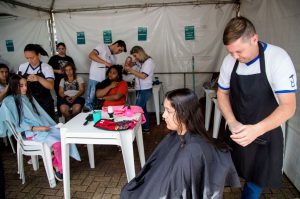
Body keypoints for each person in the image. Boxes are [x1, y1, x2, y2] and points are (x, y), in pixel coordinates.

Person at [217, 16, 297, 199]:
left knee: (255, 184)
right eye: (230, 52)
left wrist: (256, 130)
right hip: (236, 131)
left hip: (265, 134)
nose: (234, 57)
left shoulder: (277, 58)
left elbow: (289, 107)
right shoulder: (230, 61)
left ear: (254, 39)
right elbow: (222, 94)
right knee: (225, 171)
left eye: (238, 51)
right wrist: (232, 121)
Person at [120, 88, 240, 198]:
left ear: (184, 113)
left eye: (168, 111)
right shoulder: (176, 136)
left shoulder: (192, 150)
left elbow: (178, 191)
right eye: (164, 109)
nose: (163, 115)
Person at [0, 74, 80, 181]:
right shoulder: (9, 101)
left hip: (40, 128)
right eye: (21, 85)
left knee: (64, 135)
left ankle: (55, 162)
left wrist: (47, 126)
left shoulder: (26, 97)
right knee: (58, 144)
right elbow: (17, 124)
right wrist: (37, 129)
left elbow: (39, 114)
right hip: (29, 133)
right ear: (14, 86)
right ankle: (59, 168)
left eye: (26, 85)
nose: (25, 88)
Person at [84, 40, 127, 111]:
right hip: (95, 79)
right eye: (119, 50)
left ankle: (98, 119)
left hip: (105, 82)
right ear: (116, 44)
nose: (118, 52)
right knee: (90, 101)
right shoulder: (102, 47)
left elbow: (113, 70)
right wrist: (106, 63)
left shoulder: (114, 58)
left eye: (121, 52)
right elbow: (91, 55)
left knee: (99, 103)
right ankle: (87, 118)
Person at [18, 44, 55, 119]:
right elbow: (16, 82)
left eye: (32, 58)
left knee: (48, 123)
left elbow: (51, 86)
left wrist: (38, 78)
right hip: (28, 101)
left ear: (38, 55)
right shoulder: (22, 67)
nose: (29, 60)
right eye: (27, 58)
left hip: (44, 102)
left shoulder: (46, 67)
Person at [124, 46, 155, 134]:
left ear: (140, 53)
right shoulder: (140, 61)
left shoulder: (149, 62)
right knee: (143, 110)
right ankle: (146, 129)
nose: (135, 58)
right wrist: (128, 63)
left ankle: (132, 132)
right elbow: (131, 64)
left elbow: (143, 76)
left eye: (135, 55)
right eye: (133, 56)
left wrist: (130, 70)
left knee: (136, 110)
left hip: (145, 90)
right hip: (140, 89)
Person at [48, 42, 75, 116]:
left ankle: (70, 113)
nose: (61, 50)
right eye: (59, 49)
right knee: (60, 97)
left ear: (65, 49)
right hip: (57, 81)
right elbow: (48, 69)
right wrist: (57, 71)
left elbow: (73, 69)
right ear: (57, 49)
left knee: (70, 95)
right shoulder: (53, 58)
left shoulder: (69, 59)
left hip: (69, 81)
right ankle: (60, 115)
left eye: (62, 48)